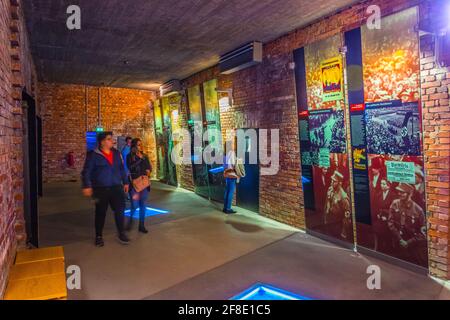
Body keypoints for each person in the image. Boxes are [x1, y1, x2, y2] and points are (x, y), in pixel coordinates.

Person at [81, 132, 130, 247]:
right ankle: (99, 236)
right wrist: (87, 185)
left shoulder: (117, 153)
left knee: (120, 211)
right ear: (102, 142)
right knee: (100, 213)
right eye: (109, 139)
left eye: (111, 139)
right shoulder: (93, 155)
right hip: (100, 189)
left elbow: (121, 169)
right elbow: (86, 171)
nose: (112, 141)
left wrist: (126, 182)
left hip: (116, 187)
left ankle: (121, 233)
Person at [388, 183, 427, 265]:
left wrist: (408, 242)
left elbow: (423, 233)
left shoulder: (418, 210)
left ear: (409, 194)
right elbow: (390, 223)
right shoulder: (395, 203)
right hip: (397, 240)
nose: (399, 194)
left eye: (402, 192)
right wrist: (399, 239)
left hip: (412, 244)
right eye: (399, 192)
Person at [127, 138, 152, 233]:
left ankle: (141, 225)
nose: (140, 146)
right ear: (134, 146)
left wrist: (149, 170)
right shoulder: (130, 156)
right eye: (138, 145)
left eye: (141, 144)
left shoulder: (145, 155)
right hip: (135, 184)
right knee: (134, 205)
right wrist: (139, 159)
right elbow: (130, 167)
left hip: (144, 183)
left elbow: (149, 167)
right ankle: (130, 221)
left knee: (143, 205)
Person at [223, 141, 240, 214]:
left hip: (227, 174)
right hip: (232, 174)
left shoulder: (225, 154)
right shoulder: (232, 153)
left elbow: (225, 165)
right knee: (231, 192)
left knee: (227, 191)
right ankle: (228, 208)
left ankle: (225, 207)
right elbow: (233, 164)